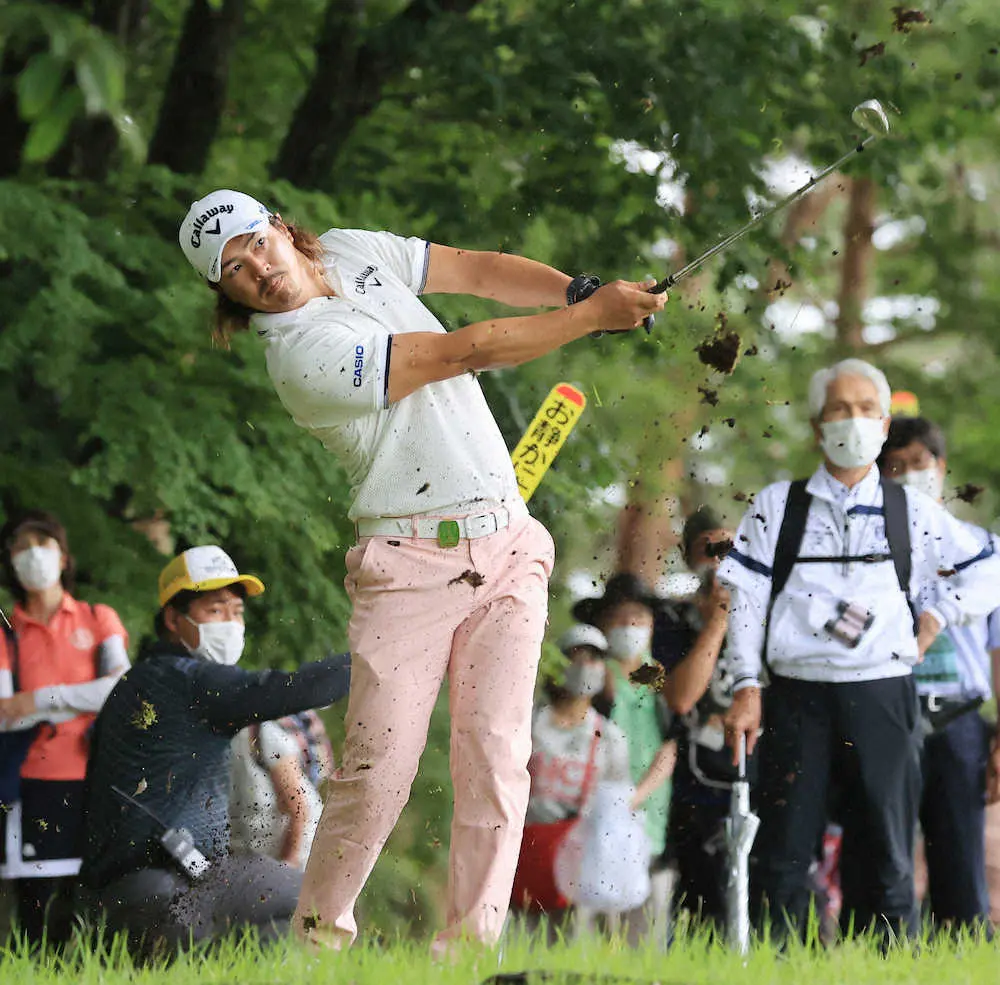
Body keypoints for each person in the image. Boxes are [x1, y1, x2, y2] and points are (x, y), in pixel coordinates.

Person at [177, 189, 665, 953]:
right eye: (232, 270)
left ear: (279, 227)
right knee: (378, 771)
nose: (257, 270)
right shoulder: (299, 357)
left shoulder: (350, 249)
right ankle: (317, 945)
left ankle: (470, 950)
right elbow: (457, 352)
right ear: (226, 293)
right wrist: (588, 319)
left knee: (499, 757)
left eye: (256, 244)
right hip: (407, 564)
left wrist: (574, 290)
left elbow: (475, 270)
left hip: (507, 543)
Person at [720, 358, 1000, 945]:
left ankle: (882, 966)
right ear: (817, 425)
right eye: (840, 409)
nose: (853, 420)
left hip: (883, 696)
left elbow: (988, 567)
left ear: (884, 422)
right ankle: (777, 966)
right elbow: (745, 598)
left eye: (867, 409)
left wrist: (937, 616)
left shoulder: (912, 510)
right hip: (796, 697)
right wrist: (746, 685)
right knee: (784, 849)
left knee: (886, 852)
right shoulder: (777, 505)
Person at [77, 546, 351, 958]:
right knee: (309, 904)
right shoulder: (186, 681)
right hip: (154, 892)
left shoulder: (144, 679)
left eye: (237, 612)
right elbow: (288, 689)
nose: (231, 623)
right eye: (215, 610)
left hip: (151, 887)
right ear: (174, 620)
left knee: (283, 908)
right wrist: (372, 657)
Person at [878, 414, 1000, 935]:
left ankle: (964, 952)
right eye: (895, 465)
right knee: (883, 858)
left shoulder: (984, 550)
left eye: (918, 462)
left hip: (959, 722)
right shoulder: (871, 548)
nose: (909, 473)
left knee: (961, 866)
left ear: (941, 467)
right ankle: (883, 955)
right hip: (885, 718)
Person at [0, 510, 130, 947]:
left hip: (98, 777)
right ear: (10, 561)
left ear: (63, 556)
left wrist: (42, 700)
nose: (33, 554)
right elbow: (4, 712)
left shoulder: (98, 618)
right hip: (33, 781)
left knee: (92, 901)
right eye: (21, 546)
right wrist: (80, 698)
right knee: (36, 904)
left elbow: (120, 689)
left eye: (43, 543)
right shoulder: (6, 633)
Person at [573, 574, 676, 946]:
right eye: (619, 618)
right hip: (591, 810)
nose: (630, 627)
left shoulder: (659, 678)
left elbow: (671, 745)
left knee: (643, 924)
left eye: (639, 618)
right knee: (584, 919)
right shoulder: (593, 677)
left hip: (649, 815)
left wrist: (637, 795)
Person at [511, 625, 631, 938]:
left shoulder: (610, 737)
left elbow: (616, 805)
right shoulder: (527, 723)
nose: (585, 666)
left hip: (580, 859)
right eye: (576, 656)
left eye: (594, 659)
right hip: (523, 850)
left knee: (572, 943)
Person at [653, 507, 735, 931]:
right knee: (699, 901)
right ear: (688, 557)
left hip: (758, 773)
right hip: (696, 782)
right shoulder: (671, 618)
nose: (720, 561)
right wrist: (717, 622)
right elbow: (681, 698)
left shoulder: (767, 612)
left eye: (730, 549)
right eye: (709, 550)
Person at [229, 711, 335, 870]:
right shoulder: (225, 737)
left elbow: (299, 810)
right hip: (254, 856)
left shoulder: (268, 735)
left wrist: (286, 865)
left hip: (296, 852)